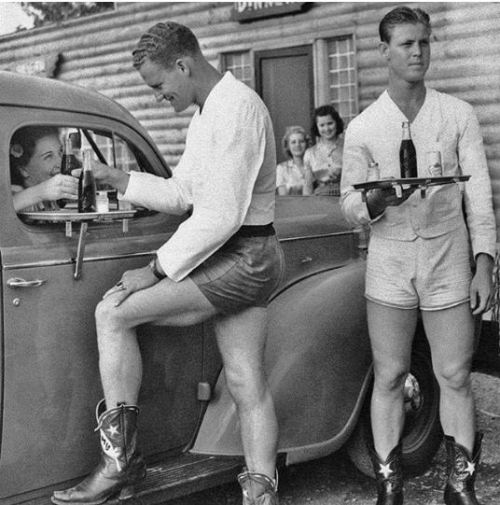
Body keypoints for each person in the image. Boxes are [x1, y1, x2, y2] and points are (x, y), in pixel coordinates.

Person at [51, 20, 284, 505]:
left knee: (112, 313)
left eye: (159, 85)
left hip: (245, 256)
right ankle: (261, 492)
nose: (159, 96)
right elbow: (182, 195)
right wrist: (117, 176)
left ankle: (119, 464)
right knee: (244, 378)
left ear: (184, 64)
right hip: (243, 254)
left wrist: (153, 270)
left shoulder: (237, 110)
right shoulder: (208, 113)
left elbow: (219, 216)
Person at [340, 7, 495, 505]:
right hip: (389, 263)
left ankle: (460, 484)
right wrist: (375, 201)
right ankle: (390, 486)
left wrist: (486, 263)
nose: (417, 52)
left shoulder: (458, 114)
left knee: (453, 374)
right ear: (384, 51)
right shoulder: (364, 127)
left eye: (424, 42)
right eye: (406, 44)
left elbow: (481, 200)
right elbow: (347, 202)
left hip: (448, 259)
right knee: (389, 375)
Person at [10, 125, 79, 212]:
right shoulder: (15, 194)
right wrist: (41, 191)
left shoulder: (54, 197)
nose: (61, 162)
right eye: (48, 156)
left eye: (60, 151)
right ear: (23, 170)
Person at [304, 104, 344, 196]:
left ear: (336, 123)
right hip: (320, 201)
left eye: (330, 123)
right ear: (317, 127)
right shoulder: (310, 153)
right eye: (322, 125)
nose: (327, 129)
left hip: (345, 197)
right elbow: (308, 186)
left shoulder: (348, 148)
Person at [276, 125, 311, 195]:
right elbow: (283, 198)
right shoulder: (281, 168)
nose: (297, 145)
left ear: (306, 144)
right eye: (293, 142)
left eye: (301, 141)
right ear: (288, 146)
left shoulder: (313, 165)